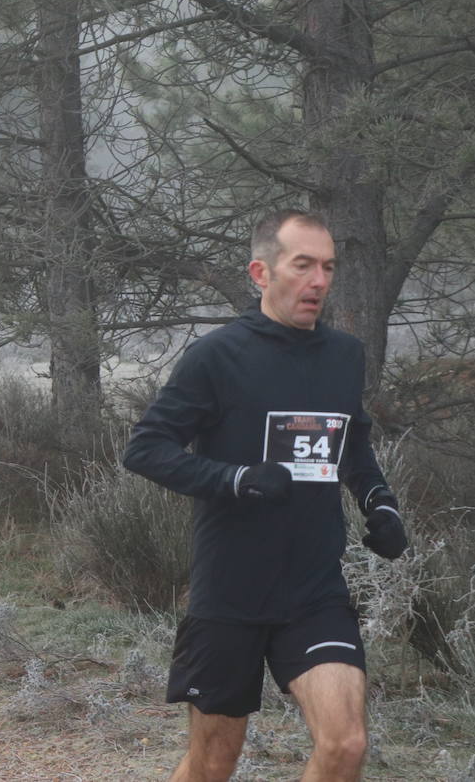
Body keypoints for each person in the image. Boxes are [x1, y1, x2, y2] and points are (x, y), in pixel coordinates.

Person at [122, 209, 410, 782]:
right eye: (303, 265)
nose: (319, 281)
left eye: (327, 267)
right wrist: (235, 479)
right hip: (231, 589)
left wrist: (378, 499)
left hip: (313, 589)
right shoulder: (217, 356)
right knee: (214, 760)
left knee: (345, 743)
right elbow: (146, 448)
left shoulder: (343, 356)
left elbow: (350, 444)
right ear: (261, 271)